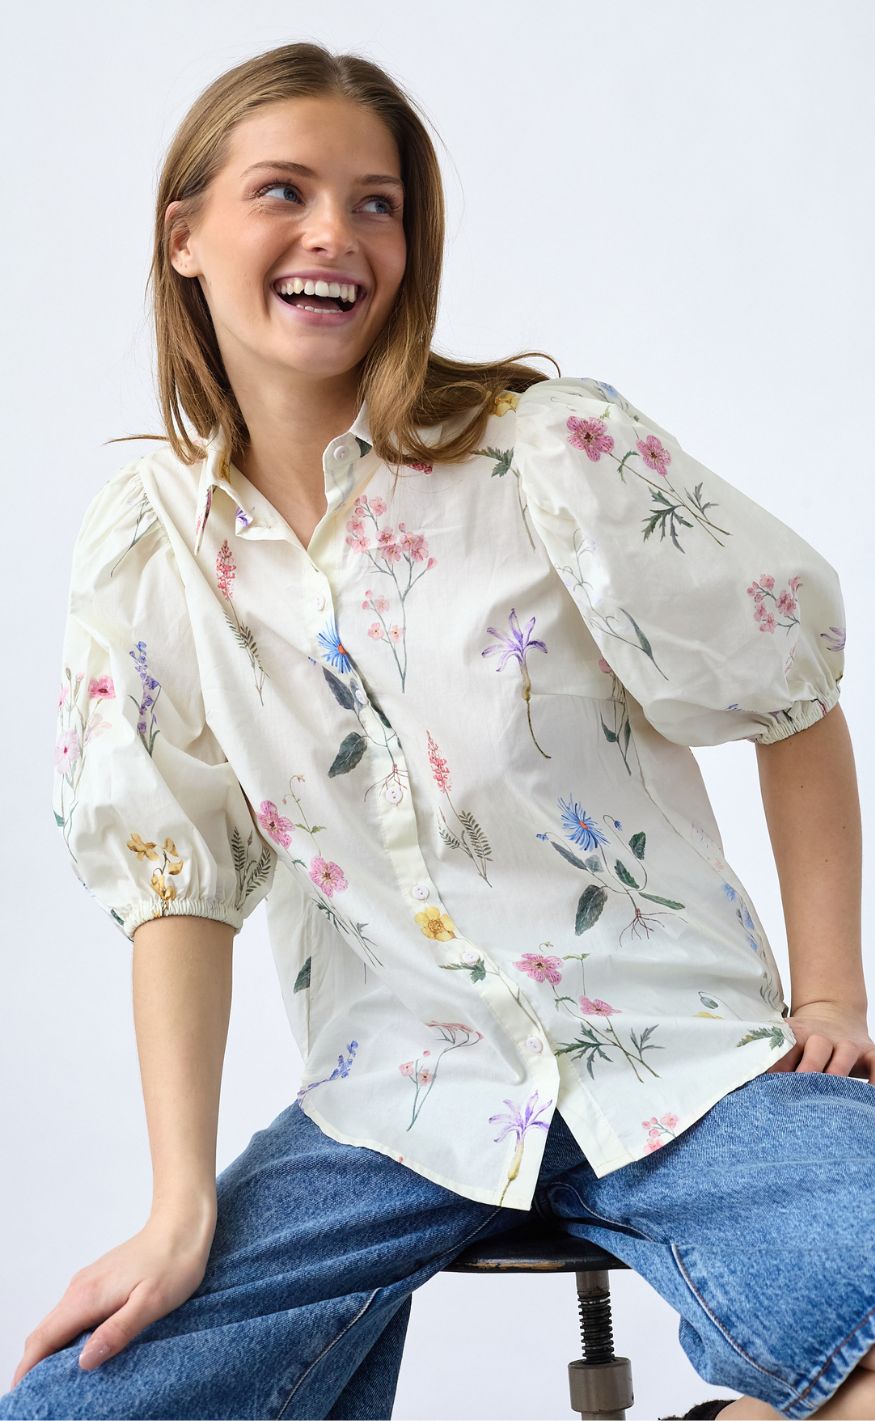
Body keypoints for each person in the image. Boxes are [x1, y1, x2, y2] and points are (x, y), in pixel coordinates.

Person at [3, 38, 873, 1421]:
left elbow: (790, 687)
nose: (334, 234)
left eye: (378, 204)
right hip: (397, 1107)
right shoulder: (154, 548)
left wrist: (831, 998)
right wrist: (178, 1209)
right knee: (67, 1410)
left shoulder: (548, 455)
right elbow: (178, 885)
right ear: (184, 238)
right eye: (283, 191)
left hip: (688, 1068)